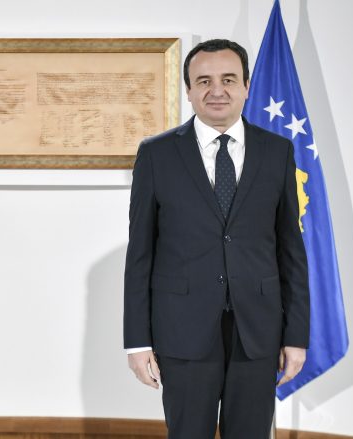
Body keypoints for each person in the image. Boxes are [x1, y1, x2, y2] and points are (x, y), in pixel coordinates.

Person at [123, 39, 309, 438]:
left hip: (257, 333)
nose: (217, 90)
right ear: (189, 90)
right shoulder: (156, 155)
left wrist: (296, 336)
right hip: (182, 331)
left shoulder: (277, 152)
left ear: (246, 86)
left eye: (228, 79)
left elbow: (290, 251)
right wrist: (136, 342)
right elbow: (140, 254)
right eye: (204, 81)